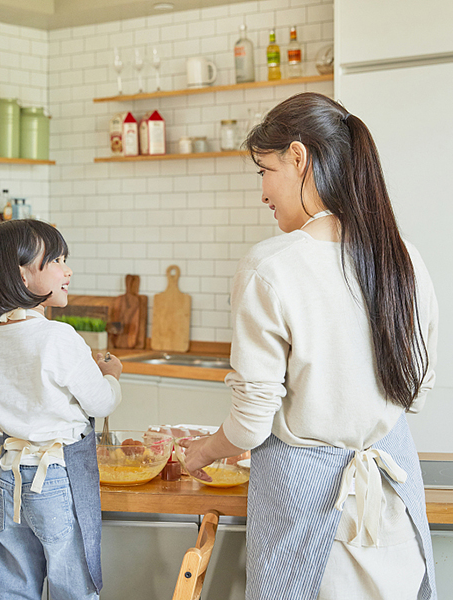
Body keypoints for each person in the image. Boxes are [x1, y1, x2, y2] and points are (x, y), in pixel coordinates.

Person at [178, 93, 438, 599]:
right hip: (394, 517)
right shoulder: (403, 256)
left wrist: (202, 453)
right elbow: (418, 389)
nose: (263, 192)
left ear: (299, 158)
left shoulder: (272, 266)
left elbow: (252, 424)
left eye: (264, 170)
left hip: (312, 533)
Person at [0, 219, 123, 600]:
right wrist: (112, 376)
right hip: (55, 476)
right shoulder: (58, 336)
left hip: (9, 477)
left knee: (16, 590)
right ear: (22, 276)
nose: (66, 269)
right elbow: (102, 402)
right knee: (74, 590)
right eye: (55, 260)